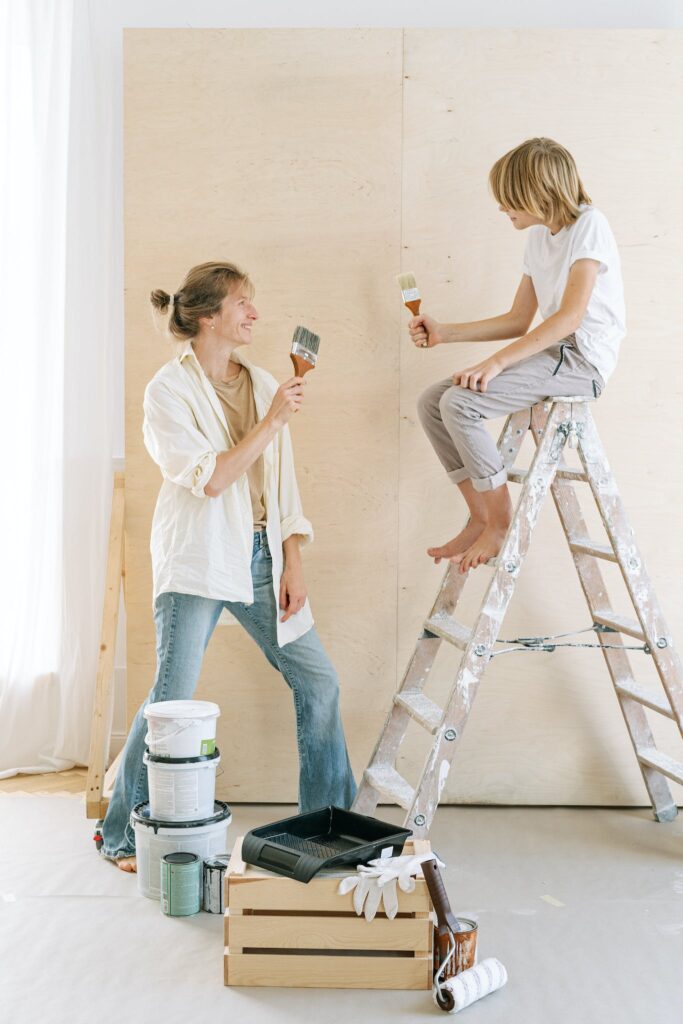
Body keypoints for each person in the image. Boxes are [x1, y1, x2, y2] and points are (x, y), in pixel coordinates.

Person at [100, 261, 356, 871]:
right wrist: (272, 423)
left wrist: (294, 559)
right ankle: (122, 835)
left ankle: (326, 824)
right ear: (209, 316)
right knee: (171, 700)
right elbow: (211, 479)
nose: (255, 314)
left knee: (318, 682)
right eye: (244, 303)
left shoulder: (266, 381)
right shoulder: (167, 391)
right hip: (198, 559)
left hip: (263, 556)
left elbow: (282, 483)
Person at [412, 137, 625, 573]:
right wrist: (444, 333)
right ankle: (480, 513)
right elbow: (517, 320)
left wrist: (497, 362)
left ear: (537, 193)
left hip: (582, 360)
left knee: (462, 402)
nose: (501, 208)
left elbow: (569, 318)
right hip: (554, 352)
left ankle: (501, 521)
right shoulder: (538, 239)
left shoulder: (590, 225)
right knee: (433, 402)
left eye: (508, 199)